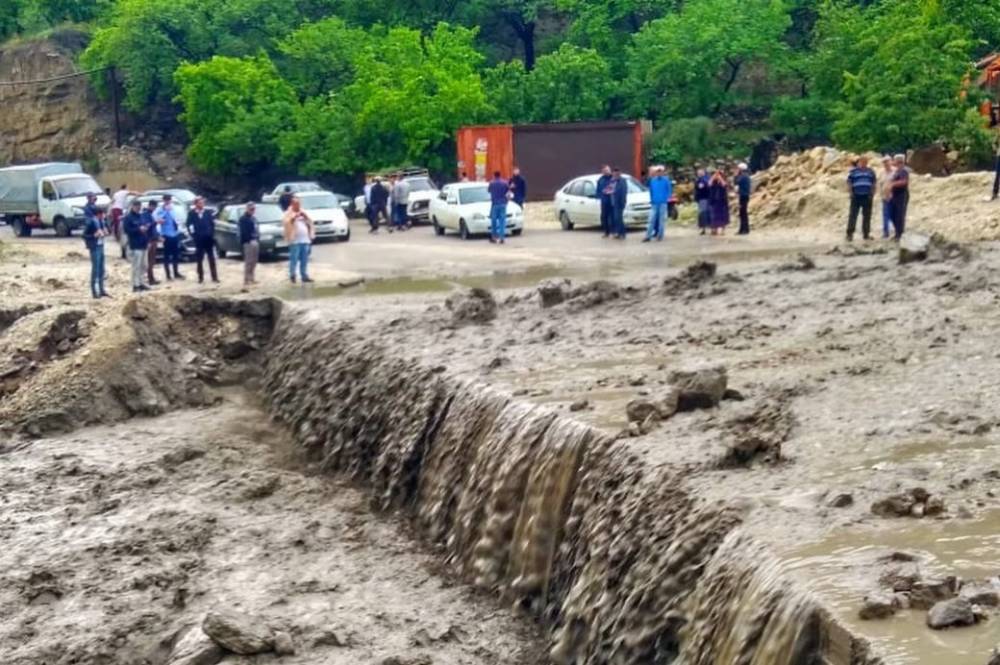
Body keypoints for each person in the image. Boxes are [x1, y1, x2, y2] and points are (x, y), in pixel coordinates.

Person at [82, 197, 110, 299]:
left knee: (101, 268)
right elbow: (84, 235)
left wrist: (106, 232)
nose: (103, 216)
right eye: (102, 215)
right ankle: (94, 291)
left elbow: (107, 230)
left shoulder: (102, 222)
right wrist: (94, 235)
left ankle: (102, 290)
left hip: (101, 245)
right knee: (95, 269)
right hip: (94, 247)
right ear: (98, 214)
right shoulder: (91, 222)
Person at [186, 196, 219, 284]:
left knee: (211, 258)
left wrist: (211, 234)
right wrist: (193, 235)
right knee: (199, 259)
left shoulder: (207, 212)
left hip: (208, 238)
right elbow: (189, 225)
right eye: (200, 203)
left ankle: (214, 277)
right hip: (199, 239)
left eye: (202, 202)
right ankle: (200, 277)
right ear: (196, 204)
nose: (202, 204)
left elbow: (212, 224)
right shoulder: (192, 213)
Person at [283, 195, 315, 283]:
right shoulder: (288, 213)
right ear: (292, 204)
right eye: (295, 203)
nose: (297, 205)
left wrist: (306, 217)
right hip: (295, 240)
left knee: (304, 259)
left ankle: (304, 275)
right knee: (294, 259)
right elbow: (286, 223)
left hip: (305, 239)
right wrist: (293, 218)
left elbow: (311, 223)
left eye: (299, 203)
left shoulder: (303, 211)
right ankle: (292, 275)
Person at [122, 199, 151, 293]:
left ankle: (142, 282)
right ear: (133, 206)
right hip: (135, 244)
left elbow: (145, 228)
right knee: (136, 266)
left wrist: (146, 228)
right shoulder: (128, 218)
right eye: (136, 206)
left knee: (144, 265)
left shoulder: (141, 216)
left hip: (143, 244)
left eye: (139, 206)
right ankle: (135, 285)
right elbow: (127, 231)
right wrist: (138, 229)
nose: (138, 208)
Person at [845, 156, 876, 241]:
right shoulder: (853, 172)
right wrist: (851, 193)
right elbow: (849, 182)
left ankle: (866, 234)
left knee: (867, 216)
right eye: (862, 162)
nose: (863, 163)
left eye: (865, 162)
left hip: (867, 196)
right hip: (856, 196)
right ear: (859, 162)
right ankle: (849, 234)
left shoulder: (871, 172)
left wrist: (872, 194)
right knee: (853, 215)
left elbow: (873, 183)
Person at [155, 194, 184, 280]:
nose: (168, 201)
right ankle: (168, 275)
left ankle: (176, 272)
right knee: (167, 255)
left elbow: (177, 219)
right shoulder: (160, 209)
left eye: (169, 200)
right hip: (166, 234)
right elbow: (158, 219)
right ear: (163, 200)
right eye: (166, 200)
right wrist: (165, 211)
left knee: (176, 254)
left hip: (174, 233)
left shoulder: (173, 208)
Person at [644, 165, 673, 242]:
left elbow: (669, 190)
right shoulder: (653, 180)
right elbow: (651, 191)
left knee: (661, 220)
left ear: (662, 173)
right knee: (651, 219)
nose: (659, 173)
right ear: (656, 173)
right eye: (658, 172)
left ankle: (660, 235)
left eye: (660, 172)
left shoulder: (666, 180)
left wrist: (666, 198)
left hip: (662, 203)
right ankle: (648, 236)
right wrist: (651, 199)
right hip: (654, 202)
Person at [239, 202, 260, 292]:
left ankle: (252, 277)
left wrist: (258, 238)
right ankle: (246, 279)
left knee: (254, 260)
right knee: (249, 261)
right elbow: (243, 231)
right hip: (248, 241)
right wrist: (248, 239)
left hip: (255, 240)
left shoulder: (254, 218)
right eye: (251, 209)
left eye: (254, 209)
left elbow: (257, 229)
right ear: (247, 209)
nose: (253, 211)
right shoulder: (243, 219)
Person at [889, 154, 910, 240]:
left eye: (894, 160)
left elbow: (904, 182)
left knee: (899, 214)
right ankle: (898, 232)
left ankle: (899, 233)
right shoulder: (897, 171)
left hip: (902, 194)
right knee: (892, 213)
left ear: (898, 161)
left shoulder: (903, 171)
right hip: (895, 194)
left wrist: (893, 184)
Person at [110, 184, 133, 260]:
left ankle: (116, 235)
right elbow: (133, 192)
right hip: (118, 209)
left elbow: (112, 201)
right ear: (125, 188)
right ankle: (117, 235)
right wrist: (141, 194)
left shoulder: (116, 193)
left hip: (114, 209)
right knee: (118, 222)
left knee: (116, 223)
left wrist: (110, 209)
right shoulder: (124, 192)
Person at [487, 171, 510, 244]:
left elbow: (489, 191)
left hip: (495, 204)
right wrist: (507, 201)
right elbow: (508, 192)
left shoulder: (492, 183)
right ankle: (502, 238)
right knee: (502, 221)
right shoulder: (505, 183)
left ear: (494, 175)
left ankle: (494, 237)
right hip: (503, 203)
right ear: (500, 175)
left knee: (494, 221)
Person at [707, 168, 730, 235]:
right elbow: (709, 184)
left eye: (718, 174)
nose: (717, 176)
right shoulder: (713, 182)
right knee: (714, 216)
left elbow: (724, 185)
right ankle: (714, 229)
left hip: (722, 201)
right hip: (714, 201)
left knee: (723, 216)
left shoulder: (723, 180)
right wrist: (713, 177)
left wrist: (720, 178)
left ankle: (723, 230)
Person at [143, 200, 160, 285]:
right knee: (150, 260)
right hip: (150, 240)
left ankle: (152, 278)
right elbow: (147, 226)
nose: (154, 208)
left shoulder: (151, 215)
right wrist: (155, 222)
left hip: (154, 239)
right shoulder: (146, 215)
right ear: (150, 206)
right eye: (153, 206)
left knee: (152, 260)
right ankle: (150, 279)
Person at [610, 167, 628, 239]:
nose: (615, 174)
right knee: (616, 218)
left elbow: (623, 192)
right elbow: (610, 190)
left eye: (617, 173)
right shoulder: (612, 181)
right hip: (613, 202)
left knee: (618, 218)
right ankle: (618, 232)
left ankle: (622, 233)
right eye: (614, 173)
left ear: (619, 173)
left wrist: (622, 202)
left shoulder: (622, 181)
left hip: (619, 203)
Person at [596, 165, 614, 238]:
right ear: (602, 172)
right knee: (604, 217)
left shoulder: (614, 178)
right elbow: (598, 191)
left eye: (607, 170)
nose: (606, 172)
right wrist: (600, 196)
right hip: (604, 201)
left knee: (613, 217)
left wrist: (610, 191)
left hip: (613, 201)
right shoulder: (600, 180)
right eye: (605, 171)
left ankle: (614, 231)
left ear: (610, 170)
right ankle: (606, 232)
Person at [734, 163, 752, 235]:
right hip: (744, 195)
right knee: (743, 213)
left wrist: (735, 176)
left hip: (743, 196)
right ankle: (744, 229)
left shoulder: (743, 176)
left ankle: (744, 229)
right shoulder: (746, 176)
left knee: (743, 213)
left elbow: (736, 182)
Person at [880, 157, 895, 239]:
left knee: (894, 215)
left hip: (894, 197)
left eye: (887, 162)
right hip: (884, 197)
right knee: (885, 215)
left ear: (891, 162)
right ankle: (886, 232)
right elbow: (880, 184)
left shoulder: (895, 171)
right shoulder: (882, 173)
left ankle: (898, 230)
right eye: (884, 162)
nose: (886, 163)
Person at [694, 168, 711, 235]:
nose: (699, 174)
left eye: (700, 173)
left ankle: (703, 228)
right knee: (705, 213)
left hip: (703, 198)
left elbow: (700, 187)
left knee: (702, 213)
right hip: (705, 198)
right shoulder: (707, 179)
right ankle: (706, 228)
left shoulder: (702, 180)